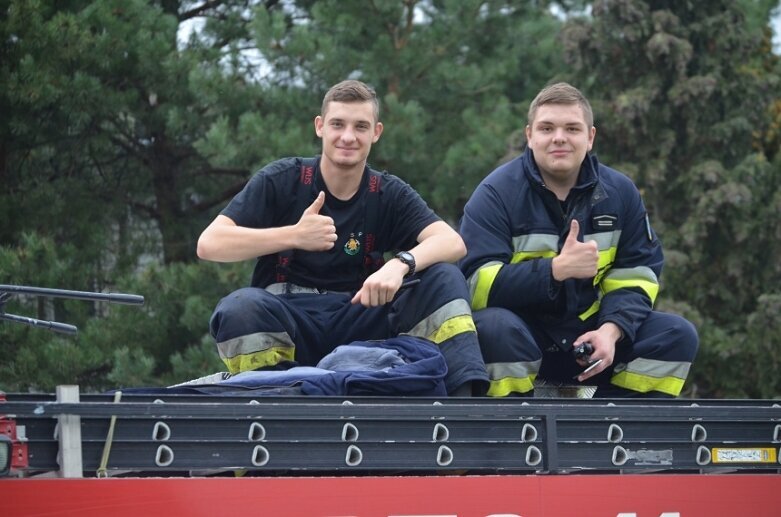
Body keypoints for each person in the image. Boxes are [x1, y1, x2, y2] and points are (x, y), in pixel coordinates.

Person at [197, 79, 488, 396]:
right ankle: (270, 401)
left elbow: (451, 242)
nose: (348, 137)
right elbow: (210, 244)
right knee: (240, 307)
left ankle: (460, 406)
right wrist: (293, 235)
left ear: (376, 133)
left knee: (444, 277)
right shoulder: (281, 179)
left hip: (359, 320)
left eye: (360, 127)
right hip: (289, 319)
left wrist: (400, 264)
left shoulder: (388, 192)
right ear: (320, 127)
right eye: (338, 124)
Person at [458, 82, 698, 398]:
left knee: (676, 334)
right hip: (523, 337)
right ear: (529, 136)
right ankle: (515, 437)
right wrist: (554, 270)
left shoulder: (621, 193)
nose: (559, 137)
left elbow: (638, 275)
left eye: (572, 128)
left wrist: (610, 332)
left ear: (590, 137)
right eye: (547, 128)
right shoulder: (495, 194)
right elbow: (476, 286)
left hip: (593, 337)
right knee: (494, 328)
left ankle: (617, 438)